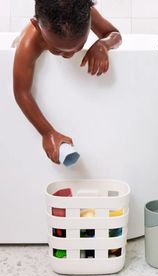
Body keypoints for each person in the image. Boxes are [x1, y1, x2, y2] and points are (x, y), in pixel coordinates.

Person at [13, 0, 122, 164]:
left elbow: (114, 34)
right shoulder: (30, 42)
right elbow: (22, 92)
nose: (69, 55)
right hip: (16, 51)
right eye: (56, 49)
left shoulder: (87, 13)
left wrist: (103, 44)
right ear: (36, 25)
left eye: (79, 47)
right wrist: (47, 132)